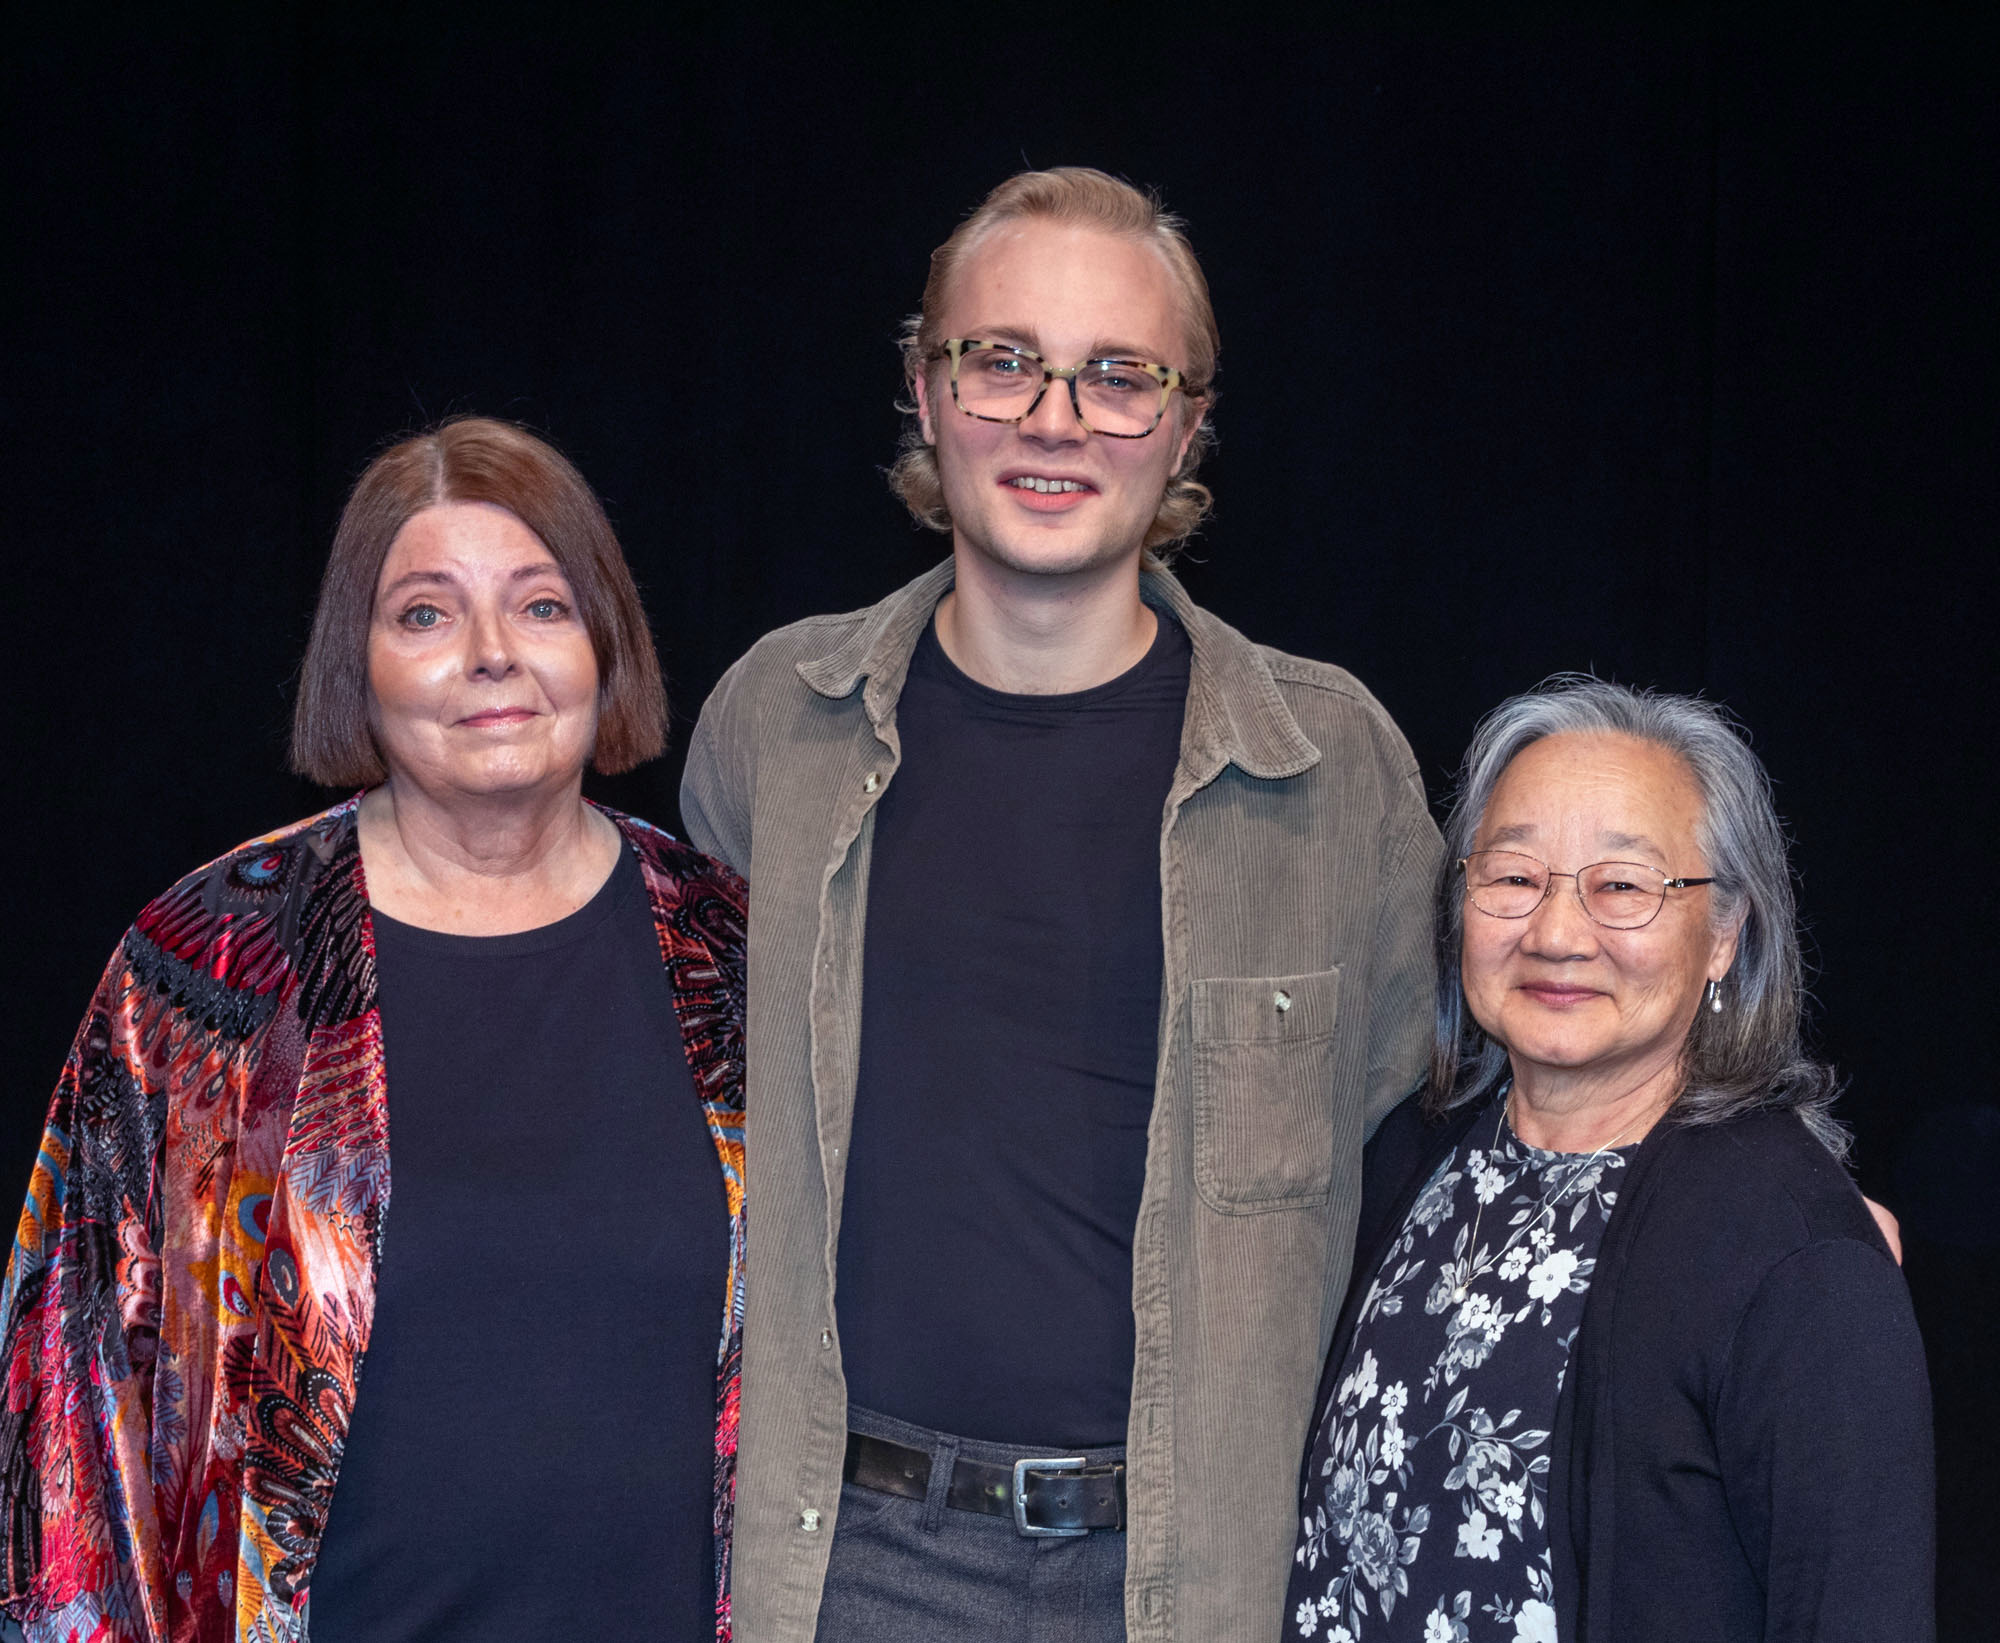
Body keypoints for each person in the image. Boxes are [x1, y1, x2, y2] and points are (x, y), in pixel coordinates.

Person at [680, 167, 1440, 1641]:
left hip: (1189, 1577)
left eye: (1118, 376)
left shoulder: (1334, 769)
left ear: (1190, 421)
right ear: (924, 385)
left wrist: (1735, 1206)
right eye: (1004, 359)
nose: (1054, 419)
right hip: (846, 1565)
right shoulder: (776, 722)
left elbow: (1470, 1120)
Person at [0, 417, 748, 1643]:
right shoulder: (211, 963)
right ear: (358, 662)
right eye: (426, 614)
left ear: (607, 642)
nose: (493, 655)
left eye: (543, 605)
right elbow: (66, 1402)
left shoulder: (730, 950)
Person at [1286, 677, 1933, 1642]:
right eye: (1512, 876)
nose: (1555, 932)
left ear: (1724, 934)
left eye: (1623, 887)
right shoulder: (1406, 1162)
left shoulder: (1793, 1251)